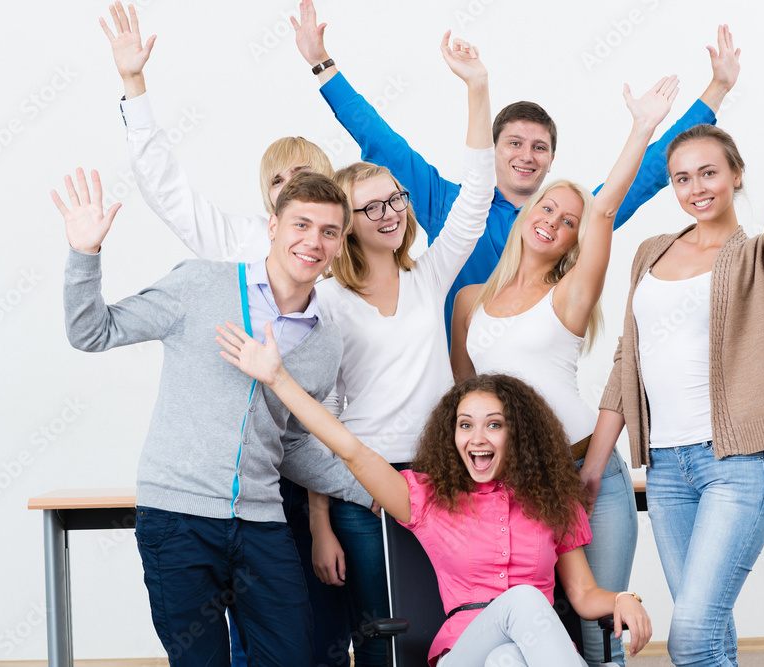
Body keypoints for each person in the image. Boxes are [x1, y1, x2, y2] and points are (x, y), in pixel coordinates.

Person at [99, 4, 344, 662]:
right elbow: (165, 185)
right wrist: (135, 86)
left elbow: (324, 418)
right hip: (222, 488)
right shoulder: (232, 252)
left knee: (305, 641)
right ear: (270, 203)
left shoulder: (335, 280)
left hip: (292, 478)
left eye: (306, 179)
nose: (293, 192)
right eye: (279, 183)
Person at [52, 167, 372, 667]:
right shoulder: (201, 284)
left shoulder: (324, 341)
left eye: (329, 231)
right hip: (177, 521)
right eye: (301, 225)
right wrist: (84, 253)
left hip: (261, 524)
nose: (314, 241)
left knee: (293, 657)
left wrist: (371, 490)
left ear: (339, 244)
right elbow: (92, 331)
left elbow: (291, 444)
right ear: (273, 227)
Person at [589, 4, 764, 665]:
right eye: (682, 177)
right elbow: (623, 363)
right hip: (666, 471)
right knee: (712, 635)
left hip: (737, 465)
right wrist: (592, 463)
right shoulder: (650, 253)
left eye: (709, 173)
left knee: (690, 634)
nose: (696, 187)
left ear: (735, 176)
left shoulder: (756, 255)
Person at [216, 319, 654, 667]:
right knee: (520, 599)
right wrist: (277, 378)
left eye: (494, 424)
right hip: (462, 653)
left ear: (519, 434)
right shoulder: (428, 499)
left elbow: (582, 595)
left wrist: (623, 598)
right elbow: (351, 452)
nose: (477, 437)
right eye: (465, 424)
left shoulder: (552, 501)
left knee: (507, 659)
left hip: (526, 653)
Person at [291, 0, 741, 334]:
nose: (526, 155)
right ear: (491, 149)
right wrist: (320, 63)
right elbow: (379, 139)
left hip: (534, 384)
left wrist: (717, 90)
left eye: (539, 148)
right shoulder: (449, 205)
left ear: (550, 161)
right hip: (459, 390)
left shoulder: (569, 221)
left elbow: (646, 174)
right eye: (515, 143)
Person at [451, 63, 682, 666]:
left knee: (599, 637)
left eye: (567, 221)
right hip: (517, 483)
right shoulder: (470, 302)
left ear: (575, 241)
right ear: (526, 214)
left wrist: (640, 130)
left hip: (587, 474)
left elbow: (605, 211)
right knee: (526, 626)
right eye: (546, 209)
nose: (551, 222)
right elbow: (464, 405)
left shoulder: (570, 296)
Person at [299, 32, 495, 667]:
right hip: (365, 486)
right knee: (384, 636)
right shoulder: (327, 300)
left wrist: (476, 89)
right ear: (346, 223)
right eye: (370, 207)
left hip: (443, 476)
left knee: (444, 627)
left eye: (395, 200)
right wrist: (320, 521)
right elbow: (318, 413)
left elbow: (475, 198)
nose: (388, 213)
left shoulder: (429, 276)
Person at [100, 1, 334, 262]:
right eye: (276, 181)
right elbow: (167, 192)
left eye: (301, 174)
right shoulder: (247, 241)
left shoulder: (357, 241)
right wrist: (133, 81)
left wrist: (322, 62)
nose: (290, 185)